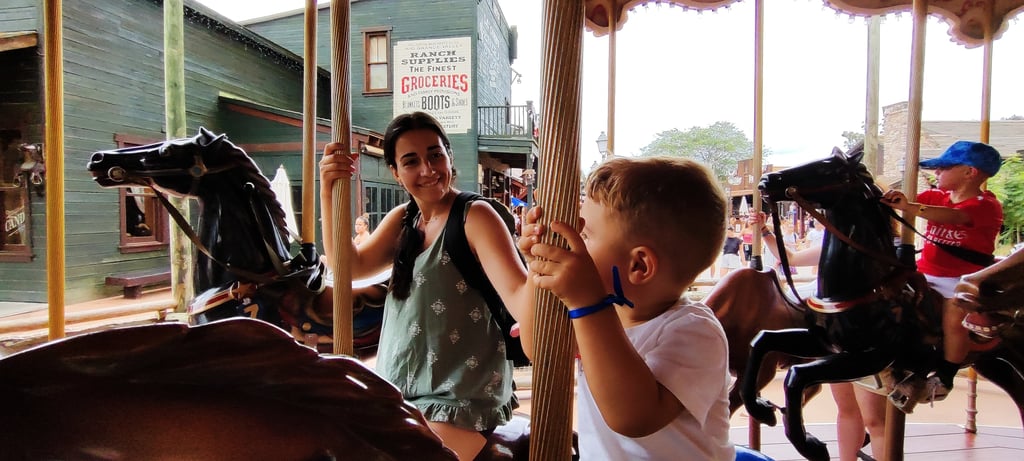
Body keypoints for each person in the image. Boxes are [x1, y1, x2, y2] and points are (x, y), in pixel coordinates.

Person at [319, 111, 532, 460]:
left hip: (458, 396)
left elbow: (517, 293)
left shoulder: (475, 216)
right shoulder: (404, 220)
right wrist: (328, 191)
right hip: (399, 389)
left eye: (435, 155)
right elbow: (349, 266)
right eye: (411, 161)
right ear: (395, 172)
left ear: (449, 155)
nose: (428, 170)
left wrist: (539, 268)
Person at [518, 157, 742, 460]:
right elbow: (541, 350)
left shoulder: (695, 332)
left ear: (639, 265)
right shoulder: (605, 316)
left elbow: (633, 418)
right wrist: (538, 265)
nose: (574, 246)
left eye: (586, 236)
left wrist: (588, 304)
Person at [754, 213, 887, 461]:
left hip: (869, 334)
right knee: (847, 410)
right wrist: (764, 230)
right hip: (839, 333)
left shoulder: (875, 246)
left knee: (876, 420)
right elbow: (791, 257)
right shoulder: (833, 245)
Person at [881, 140, 1003, 402]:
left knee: (953, 315)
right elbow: (906, 198)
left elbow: (952, 217)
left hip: (961, 279)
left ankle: (945, 375)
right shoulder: (938, 197)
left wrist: (910, 207)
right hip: (925, 272)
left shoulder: (985, 205)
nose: (936, 173)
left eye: (943, 168)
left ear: (970, 172)